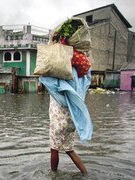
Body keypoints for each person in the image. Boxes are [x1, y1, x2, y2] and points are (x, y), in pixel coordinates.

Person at [39, 18, 93, 174]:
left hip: (59, 116)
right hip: (73, 118)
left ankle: (53, 175)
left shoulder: (60, 73)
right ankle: (85, 173)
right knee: (69, 150)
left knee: (54, 149)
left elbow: (45, 77)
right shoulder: (81, 74)